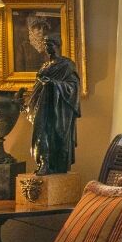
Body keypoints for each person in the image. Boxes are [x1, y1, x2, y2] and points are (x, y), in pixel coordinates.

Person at [27, 34, 81, 176]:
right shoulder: (44, 66)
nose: (47, 47)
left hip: (59, 107)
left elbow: (73, 86)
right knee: (40, 131)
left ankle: (53, 164)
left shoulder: (66, 65)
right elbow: (37, 87)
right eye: (45, 44)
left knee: (55, 134)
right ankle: (43, 163)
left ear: (57, 45)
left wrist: (53, 83)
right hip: (42, 104)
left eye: (49, 44)